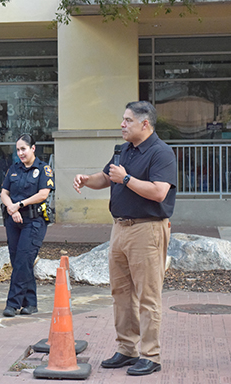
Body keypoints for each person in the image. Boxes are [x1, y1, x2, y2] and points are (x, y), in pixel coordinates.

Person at [73, 101, 177, 376]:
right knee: (120, 293)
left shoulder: (161, 153)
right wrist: (86, 180)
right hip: (119, 228)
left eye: (128, 120)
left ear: (145, 124)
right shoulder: (123, 150)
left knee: (148, 295)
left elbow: (159, 192)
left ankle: (150, 356)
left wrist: (127, 178)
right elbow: (106, 178)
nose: (122, 124)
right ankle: (127, 349)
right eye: (123, 119)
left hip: (147, 230)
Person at [0, 134, 54, 317]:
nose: (20, 153)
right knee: (19, 262)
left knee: (23, 260)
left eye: (23, 149)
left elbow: (43, 194)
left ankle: (13, 304)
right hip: (13, 220)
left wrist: (20, 205)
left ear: (33, 148)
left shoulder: (44, 169)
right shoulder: (13, 169)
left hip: (34, 221)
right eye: (18, 150)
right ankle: (30, 304)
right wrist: (12, 209)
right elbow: (4, 193)